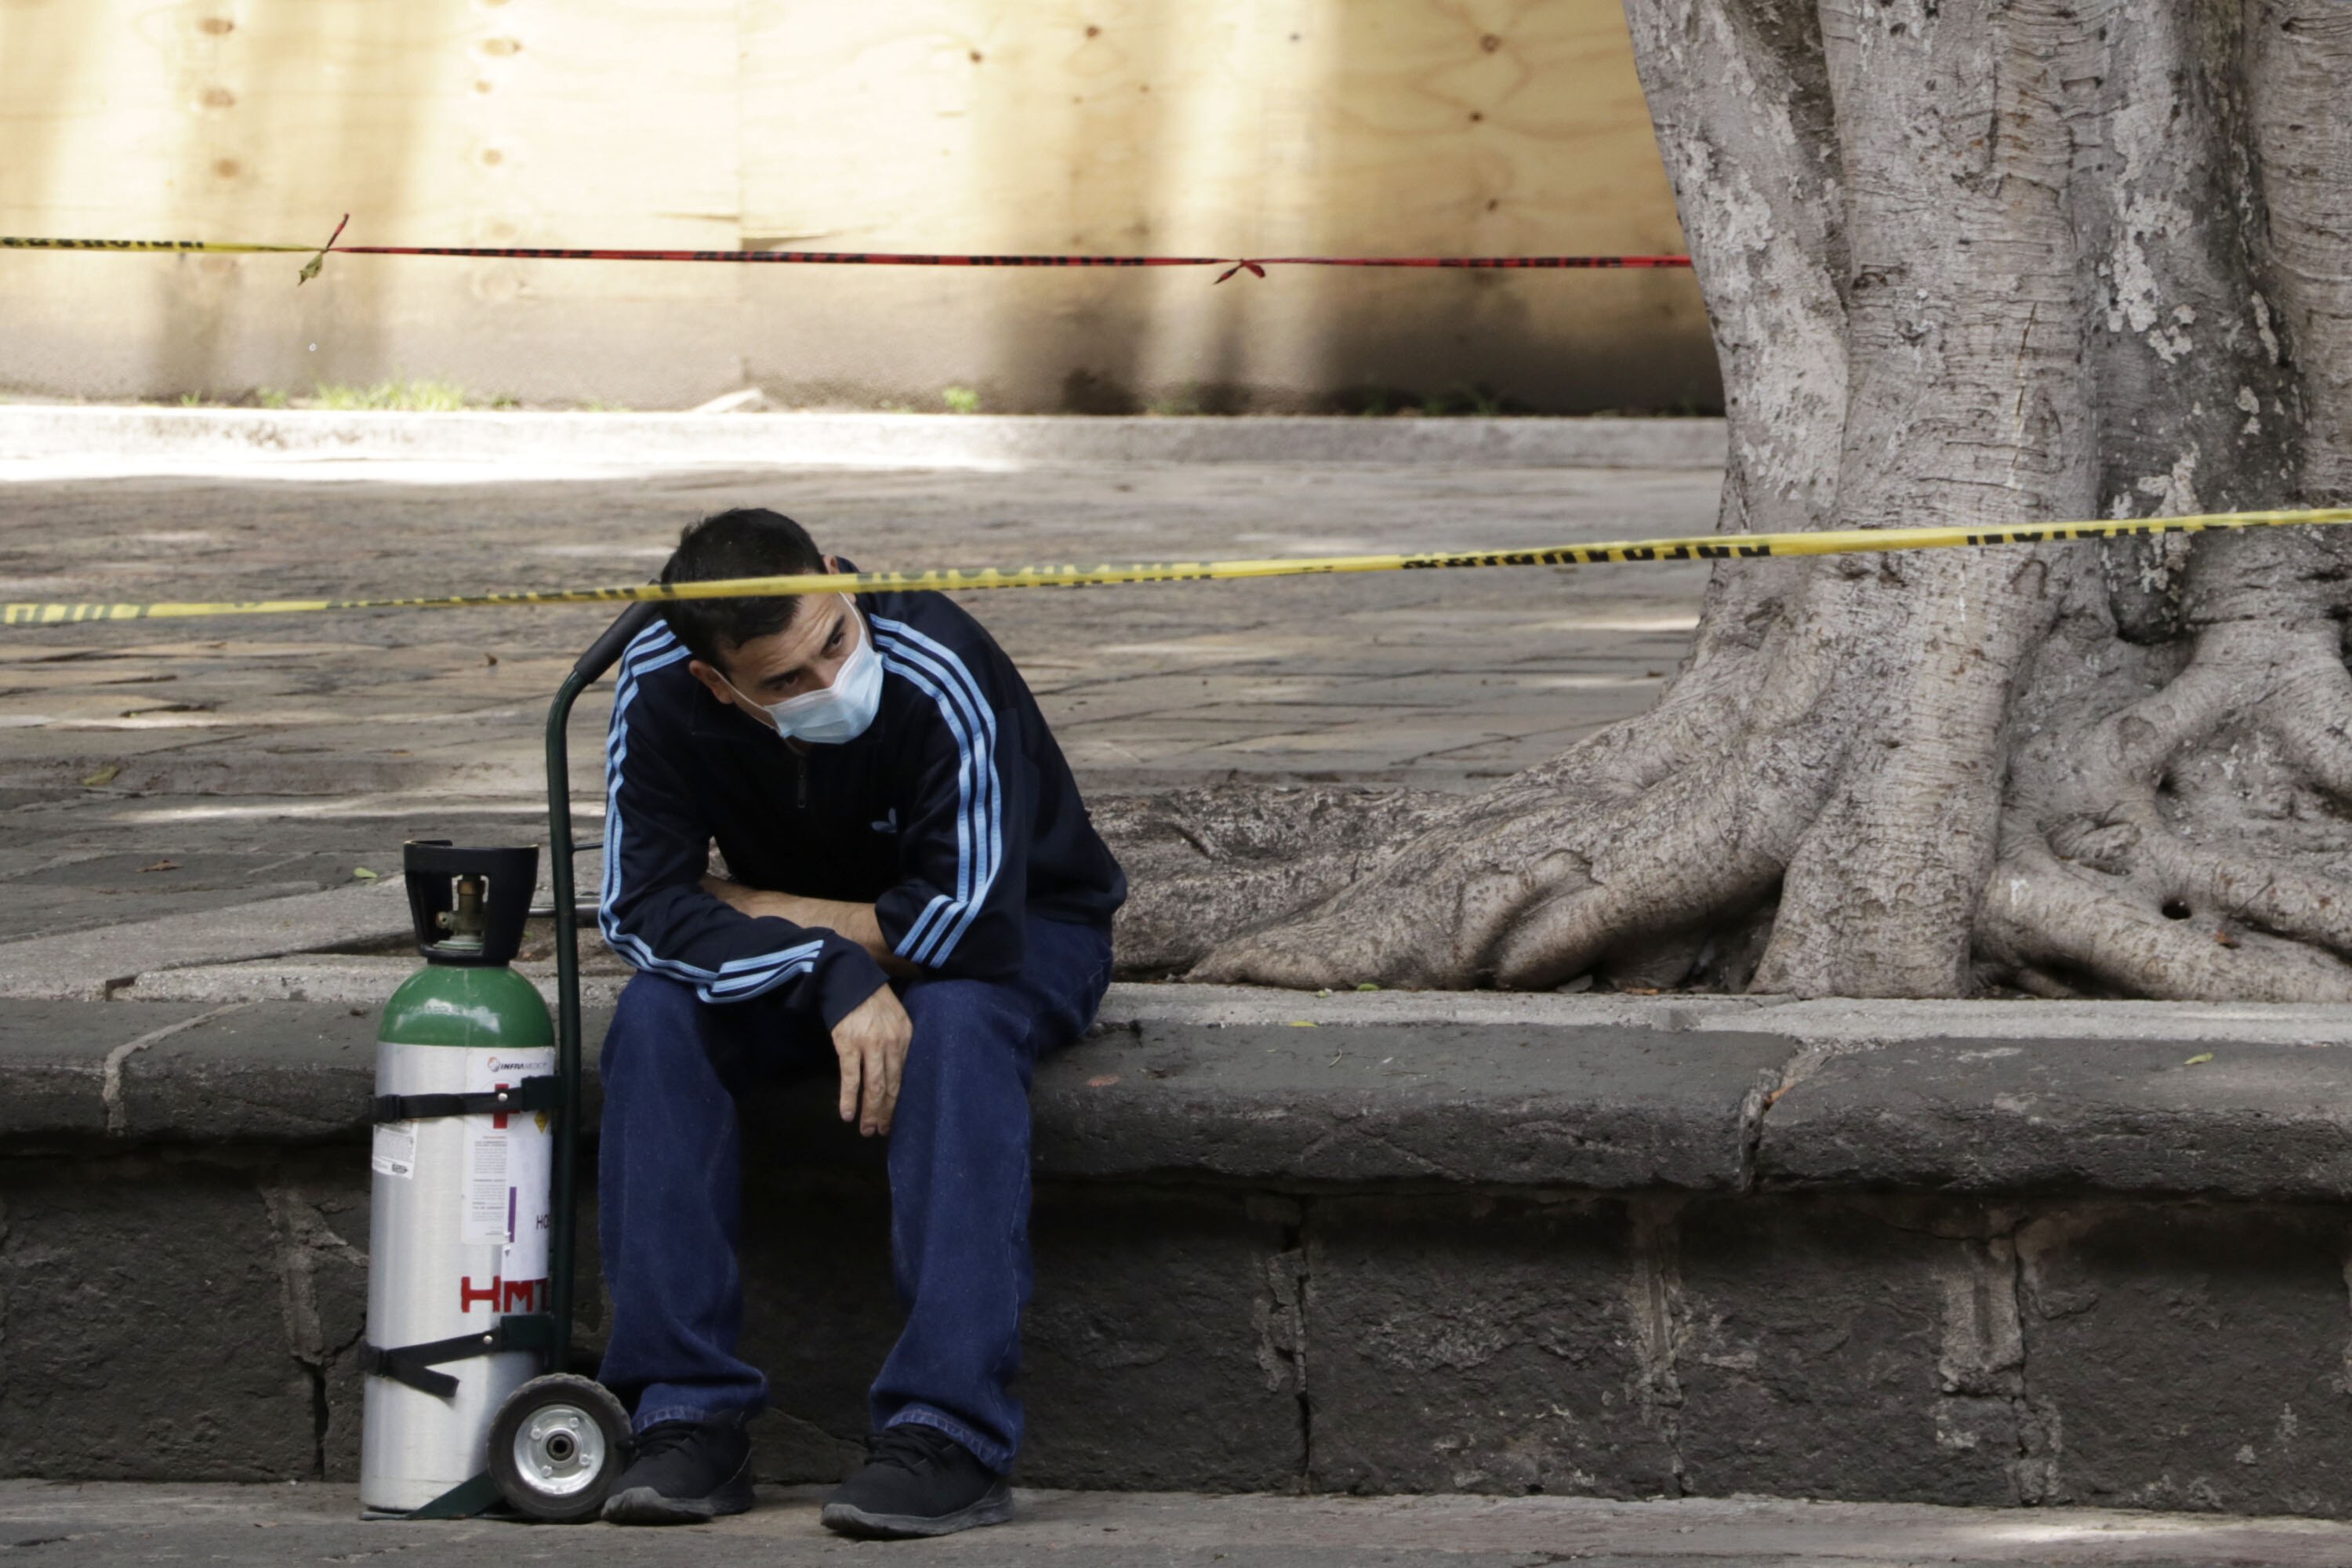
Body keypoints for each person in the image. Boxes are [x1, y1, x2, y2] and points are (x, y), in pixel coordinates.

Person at [590, 507, 1125, 1538]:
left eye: (834, 639)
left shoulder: (938, 658)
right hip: (835, 952)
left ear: (836, 575)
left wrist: (757, 909)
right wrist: (827, 968)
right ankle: (682, 1414)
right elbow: (641, 909)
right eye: (785, 681)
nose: (830, 680)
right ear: (717, 683)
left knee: (956, 1022)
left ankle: (948, 1433)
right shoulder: (659, 682)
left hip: (1026, 929)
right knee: (656, 1016)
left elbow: (963, 923)